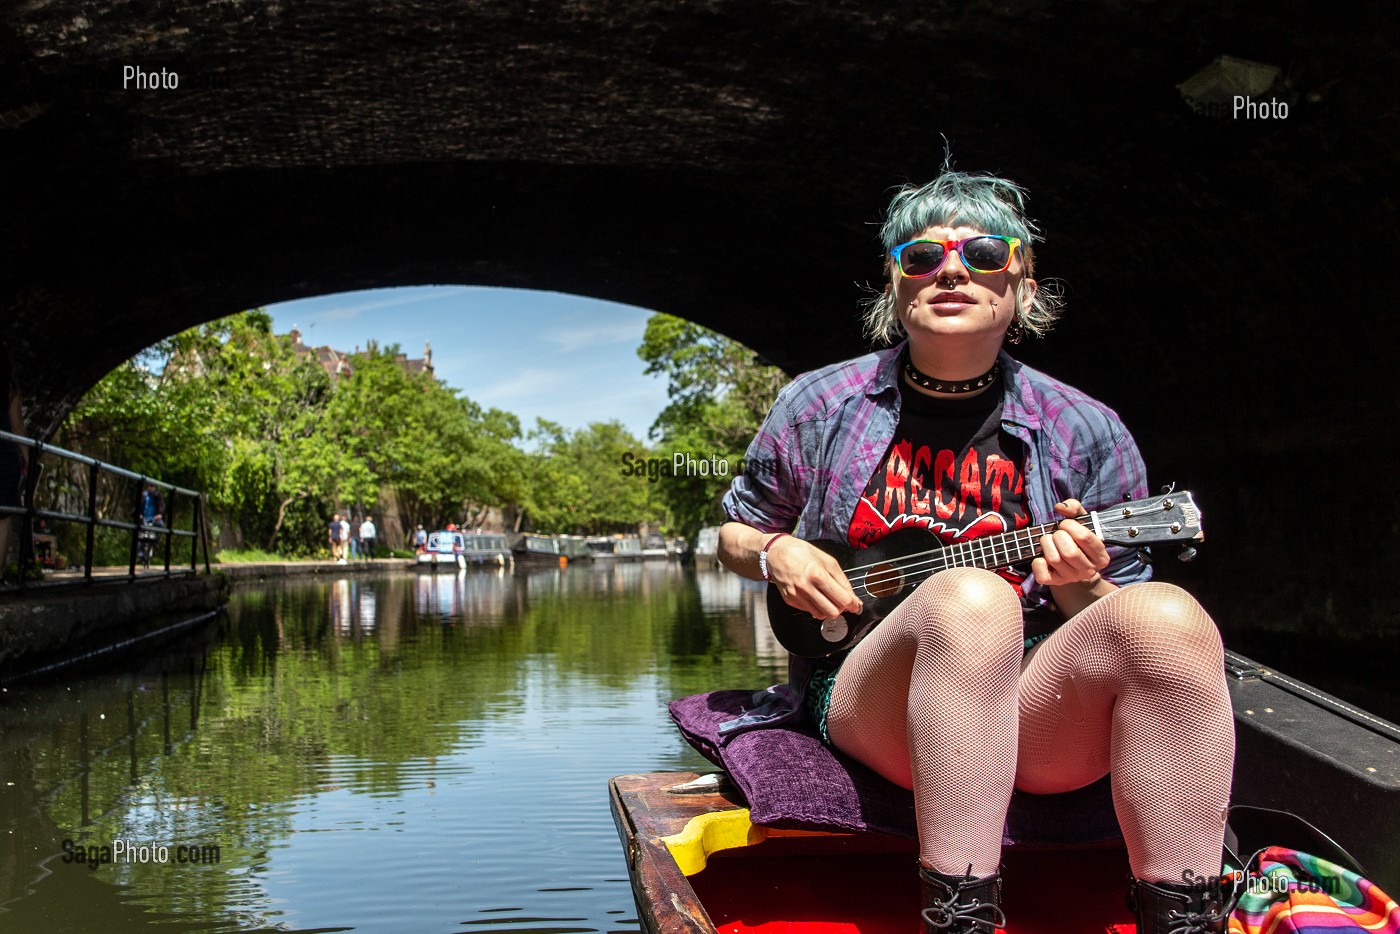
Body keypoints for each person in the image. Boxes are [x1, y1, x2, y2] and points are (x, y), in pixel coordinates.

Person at [717, 170, 1235, 934]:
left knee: (1169, 617)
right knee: (972, 598)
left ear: (1020, 279)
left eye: (985, 253)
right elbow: (735, 531)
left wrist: (1075, 584)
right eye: (922, 255)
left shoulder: (1085, 426)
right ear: (895, 282)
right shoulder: (819, 402)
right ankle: (959, 916)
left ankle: (1186, 915)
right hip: (874, 691)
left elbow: (1107, 611)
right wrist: (777, 552)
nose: (952, 269)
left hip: (1036, 699)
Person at [0, 345, 26, 570]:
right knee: (3, 516)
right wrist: (28, 461)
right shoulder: (10, 388)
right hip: (5, 458)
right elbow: (17, 428)